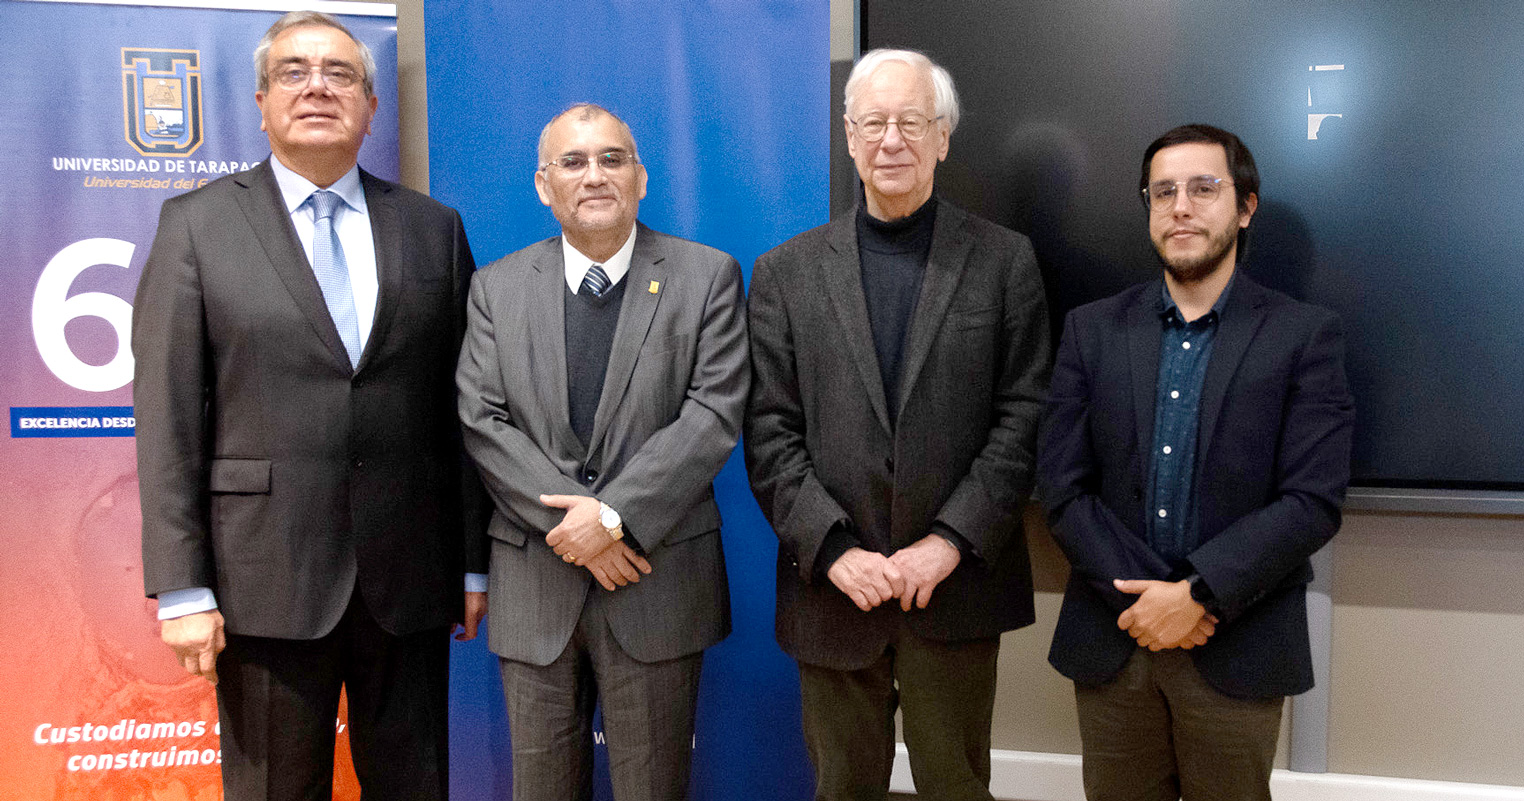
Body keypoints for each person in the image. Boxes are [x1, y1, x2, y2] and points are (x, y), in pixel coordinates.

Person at [133, 11, 485, 799]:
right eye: (293, 71)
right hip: (263, 578)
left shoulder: (433, 229)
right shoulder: (196, 225)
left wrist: (471, 556)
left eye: (339, 73)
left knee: (415, 784)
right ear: (261, 101)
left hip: (410, 581)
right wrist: (183, 588)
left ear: (369, 107)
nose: (317, 86)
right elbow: (167, 420)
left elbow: (463, 408)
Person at [745, 49, 1050, 801]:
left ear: (942, 136)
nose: (892, 140)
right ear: (848, 135)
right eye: (875, 122)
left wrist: (946, 543)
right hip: (833, 593)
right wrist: (836, 549)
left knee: (957, 786)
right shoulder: (785, 272)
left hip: (956, 589)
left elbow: (1026, 416)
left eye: (912, 121)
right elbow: (768, 429)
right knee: (842, 788)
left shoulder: (1005, 262)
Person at [1037, 123, 1355, 801]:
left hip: (1237, 642)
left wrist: (1195, 596)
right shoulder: (1090, 330)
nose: (1180, 206)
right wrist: (1150, 600)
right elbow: (1061, 487)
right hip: (1115, 635)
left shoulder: (1304, 336)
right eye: (1163, 192)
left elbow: (1313, 500)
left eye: (1203, 189)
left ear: (1245, 208)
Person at [456, 103, 749, 801]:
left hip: (657, 580)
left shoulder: (706, 276)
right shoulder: (496, 288)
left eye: (612, 158)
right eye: (574, 161)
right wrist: (579, 530)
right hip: (537, 586)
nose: (595, 175)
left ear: (641, 177)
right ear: (542, 183)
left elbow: (712, 413)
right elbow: (482, 417)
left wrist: (613, 516)